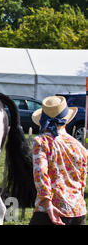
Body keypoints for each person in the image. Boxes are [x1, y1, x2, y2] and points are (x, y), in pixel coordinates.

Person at [29, 95, 87, 225]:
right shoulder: (79, 146)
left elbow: (40, 173)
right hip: (78, 210)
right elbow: (82, 180)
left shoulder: (42, 141)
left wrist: (47, 203)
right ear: (66, 120)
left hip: (51, 210)